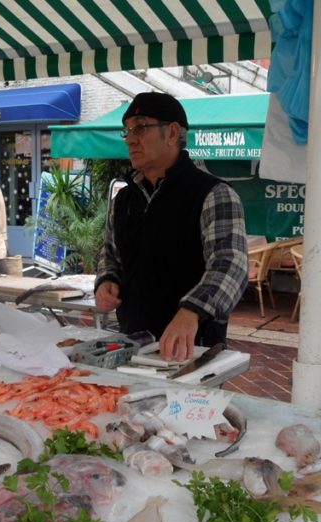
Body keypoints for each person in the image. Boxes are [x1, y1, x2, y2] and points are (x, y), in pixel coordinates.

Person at [94, 92, 248, 362]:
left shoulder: (213, 194)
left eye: (141, 127)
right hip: (133, 344)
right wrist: (107, 280)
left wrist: (191, 310)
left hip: (192, 349)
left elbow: (231, 265)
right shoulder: (124, 200)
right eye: (127, 130)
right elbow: (110, 254)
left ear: (173, 133)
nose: (130, 138)